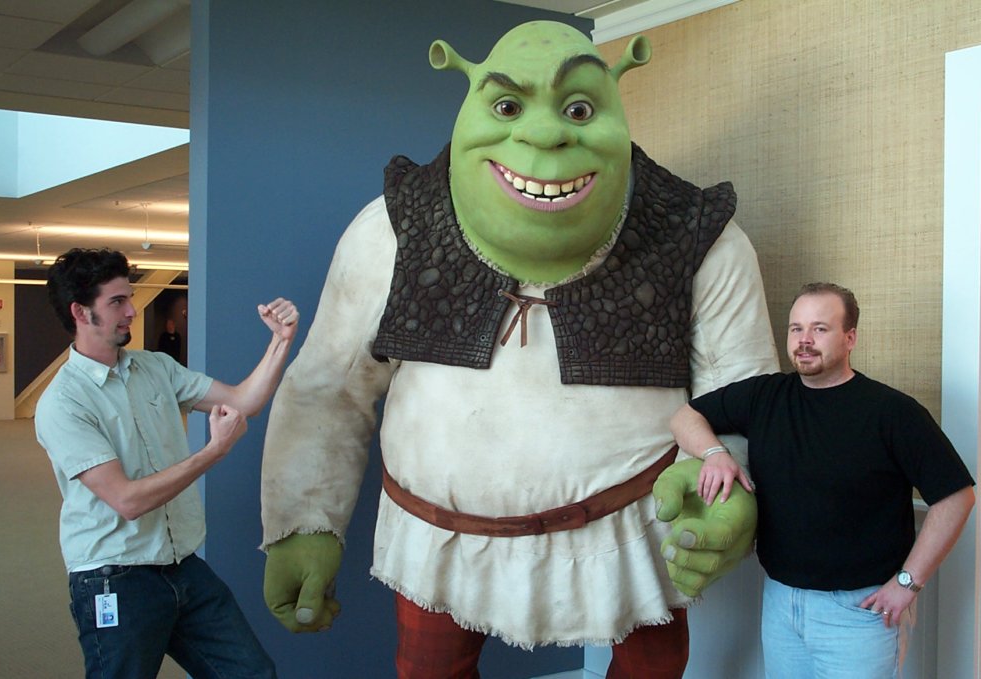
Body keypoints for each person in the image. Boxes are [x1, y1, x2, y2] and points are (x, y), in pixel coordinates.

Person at [260, 21, 778, 678]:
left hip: (633, 530)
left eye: (579, 109)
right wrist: (304, 518)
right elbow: (329, 387)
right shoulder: (391, 232)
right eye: (508, 106)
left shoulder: (700, 238)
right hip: (436, 536)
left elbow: (742, 395)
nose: (544, 134)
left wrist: (727, 480)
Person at [667, 281, 975, 678]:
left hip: (859, 612)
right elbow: (684, 417)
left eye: (820, 328)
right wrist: (714, 454)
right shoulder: (765, 395)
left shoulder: (892, 412)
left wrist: (908, 583)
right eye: (796, 328)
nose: (805, 340)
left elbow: (956, 497)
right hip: (781, 601)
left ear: (850, 338)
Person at [35, 248, 298, 679]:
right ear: (80, 312)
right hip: (114, 576)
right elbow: (127, 500)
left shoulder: (155, 367)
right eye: (117, 302)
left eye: (129, 297)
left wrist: (281, 340)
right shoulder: (63, 403)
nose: (131, 310)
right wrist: (214, 451)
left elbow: (242, 401)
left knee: (253, 673)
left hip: (182, 565)